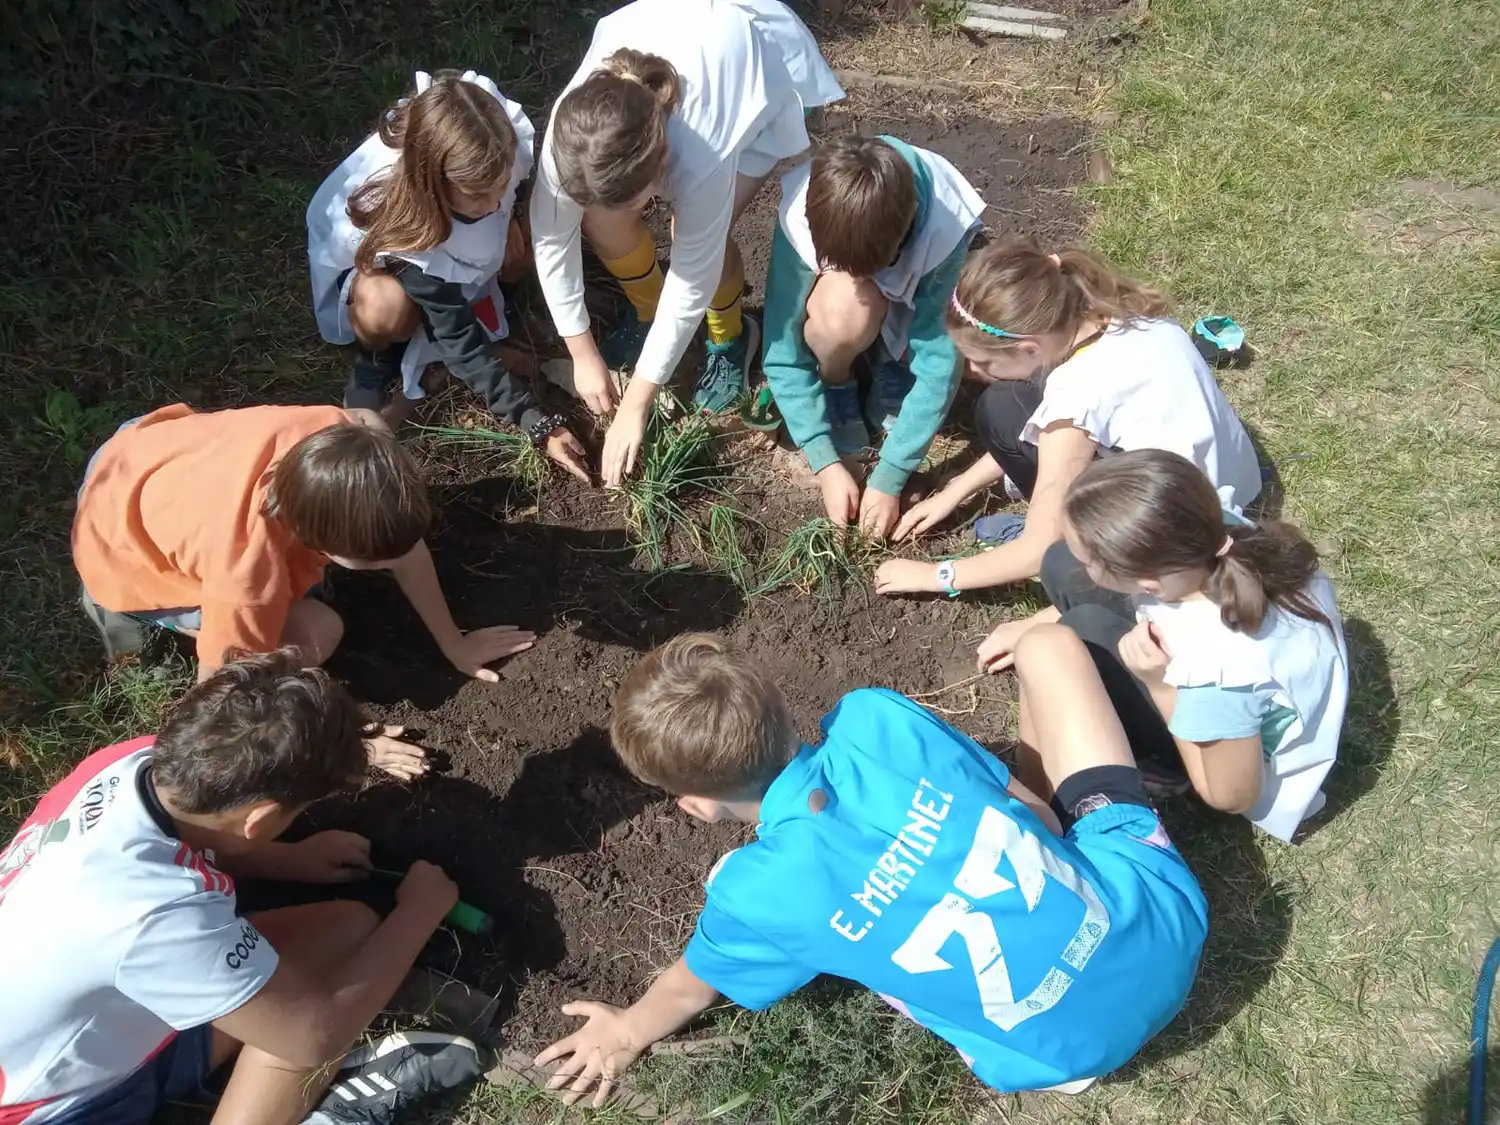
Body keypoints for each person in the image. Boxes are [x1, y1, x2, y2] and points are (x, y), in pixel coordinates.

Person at [532, 631, 1207, 1104]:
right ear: (781, 709)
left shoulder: (755, 892)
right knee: (1047, 646)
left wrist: (625, 1031)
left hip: (1061, 1049)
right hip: (1165, 927)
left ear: (697, 806)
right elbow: (1045, 821)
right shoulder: (875, 719)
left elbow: (690, 987)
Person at [0, 652, 487, 1125]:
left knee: (347, 928)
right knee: (302, 1020)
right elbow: (313, 1036)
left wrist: (289, 860)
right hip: (56, 1107)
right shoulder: (156, 915)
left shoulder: (131, 763)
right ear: (261, 819)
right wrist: (418, 914)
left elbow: (194, 835)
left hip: (73, 1025)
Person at [72, 404, 532, 775]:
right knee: (318, 631)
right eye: (376, 562)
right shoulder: (246, 577)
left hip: (139, 451)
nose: (397, 562)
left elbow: (406, 552)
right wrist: (352, 745)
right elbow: (222, 697)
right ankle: (139, 616)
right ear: (317, 542)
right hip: (116, 544)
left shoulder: (343, 437)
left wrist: (456, 645)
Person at [530, 0, 845, 485]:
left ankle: (730, 338)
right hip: (682, 43)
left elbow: (693, 275)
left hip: (755, 79)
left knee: (689, 235)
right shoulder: (572, 135)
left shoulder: (702, 153)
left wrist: (637, 402)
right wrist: (582, 353)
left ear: (662, 166)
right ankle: (648, 313)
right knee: (602, 219)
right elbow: (551, 239)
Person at [975, 451, 1347, 842]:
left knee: (1083, 630)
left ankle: (1166, 771)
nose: (1084, 567)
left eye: (1092, 564)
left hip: (1233, 761)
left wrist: (1160, 685)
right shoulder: (1209, 533)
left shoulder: (1218, 670)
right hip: (1226, 680)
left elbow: (1231, 796)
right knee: (1060, 562)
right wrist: (1034, 621)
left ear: (1148, 584)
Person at [872, 237, 1262, 598]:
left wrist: (935, 575)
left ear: (1029, 349)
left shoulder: (1075, 395)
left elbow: (1037, 550)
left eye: (983, 361)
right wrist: (955, 491)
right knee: (1006, 406)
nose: (972, 369)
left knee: (1058, 560)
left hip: (1175, 549)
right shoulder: (1122, 313)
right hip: (1231, 480)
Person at [306, 69, 589, 482]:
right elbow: (459, 340)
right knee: (386, 308)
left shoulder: (493, 143)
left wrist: (510, 212)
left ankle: (500, 306)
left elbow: (512, 192)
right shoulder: (406, 224)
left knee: (522, 243)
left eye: (500, 185)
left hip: (457, 251)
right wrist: (535, 422)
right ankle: (378, 357)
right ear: (434, 183)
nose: (493, 202)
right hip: (387, 272)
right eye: (479, 195)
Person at [760, 134, 984, 538]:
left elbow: (939, 360)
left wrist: (890, 477)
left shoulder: (943, 228)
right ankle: (838, 384)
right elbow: (782, 346)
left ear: (908, 223)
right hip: (855, 305)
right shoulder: (804, 212)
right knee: (845, 306)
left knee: (978, 354)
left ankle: (890, 366)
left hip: (918, 303)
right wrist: (824, 460)